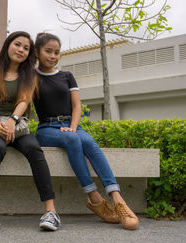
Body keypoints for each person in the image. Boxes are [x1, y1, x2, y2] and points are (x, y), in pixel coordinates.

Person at [33, 32, 139, 230]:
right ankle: (94, 197)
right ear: (37, 52)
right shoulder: (31, 77)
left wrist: (72, 127)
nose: (53, 56)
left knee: (89, 142)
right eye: (48, 51)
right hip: (47, 128)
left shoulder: (67, 76)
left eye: (57, 52)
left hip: (72, 125)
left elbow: (76, 107)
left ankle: (118, 200)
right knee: (73, 141)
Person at [0, 31, 61, 231]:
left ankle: (51, 212)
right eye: (17, 44)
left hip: (17, 126)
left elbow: (24, 101)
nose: (21, 50)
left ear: (29, 54)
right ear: (8, 45)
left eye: (26, 48)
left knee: (35, 150)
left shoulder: (29, 76)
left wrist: (12, 121)